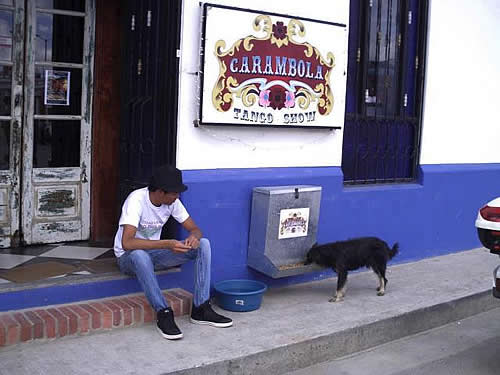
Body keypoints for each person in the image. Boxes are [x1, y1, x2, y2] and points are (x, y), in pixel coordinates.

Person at [113, 165, 233, 340]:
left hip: (154, 255)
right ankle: (163, 312)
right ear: (160, 192)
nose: (177, 197)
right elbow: (127, 243)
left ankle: (201, 308)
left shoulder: (172, 203)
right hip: (128, 258)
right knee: (139, 254)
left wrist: (194, 236)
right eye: (174, 193)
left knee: (203, 244)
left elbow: (195, 229)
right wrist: (168, 244)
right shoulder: (136, 200)